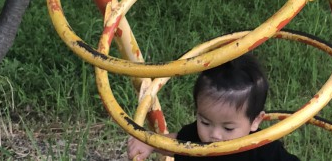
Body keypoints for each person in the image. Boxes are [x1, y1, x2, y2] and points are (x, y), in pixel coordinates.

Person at [127, 54, 300, 161]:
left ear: (255, 121)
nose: (214, 135)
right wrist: (151, 144)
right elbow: (175, 144)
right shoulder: (195, 137)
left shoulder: (263, 149)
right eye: (205, 122)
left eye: (228, 127)